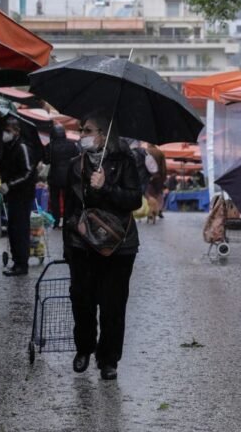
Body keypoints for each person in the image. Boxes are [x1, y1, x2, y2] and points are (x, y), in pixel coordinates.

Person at [63, 111, 141, 380]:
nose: (82, 135)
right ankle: (84, 348)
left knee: (113, 305)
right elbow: (69, 208)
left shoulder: (125, 161)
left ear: (104, 135)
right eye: (81, 129)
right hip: (82, 244)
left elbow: (135, 200)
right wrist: (69, 245)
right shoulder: (75, 164)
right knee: (82, 300)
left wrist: (106, 187)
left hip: (119, 245)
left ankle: (109, 359)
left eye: (88, 130)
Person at [0, 116, 37, 276]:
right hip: (14, 195)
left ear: (16, 131)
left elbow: (28, 172)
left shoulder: (21, 147)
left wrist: (10, 184)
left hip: (22, 195)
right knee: (13, 229)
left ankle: (22, 264)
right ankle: (17, 262)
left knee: (20, 229)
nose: (5, 134)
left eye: (8, 131)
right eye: (5, 130)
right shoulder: (10, 147)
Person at [44, 124, 79, 229]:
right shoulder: (72, 145)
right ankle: (67, 221)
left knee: (55, 200)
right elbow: (77, 158)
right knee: (68, 199)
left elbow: (46, 161)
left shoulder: (49, 146)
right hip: (68, 177)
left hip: (54, 177)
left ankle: (56, 221)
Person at [144, 143, 167, 223]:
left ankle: (150, 212)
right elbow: (164, 168)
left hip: (148, 178)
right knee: (158, 195)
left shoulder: (145, 152)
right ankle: (158, 210)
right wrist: (163, 179)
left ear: (148, 144)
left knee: (149, 196)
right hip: (158, 177)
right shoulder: (160, 153)